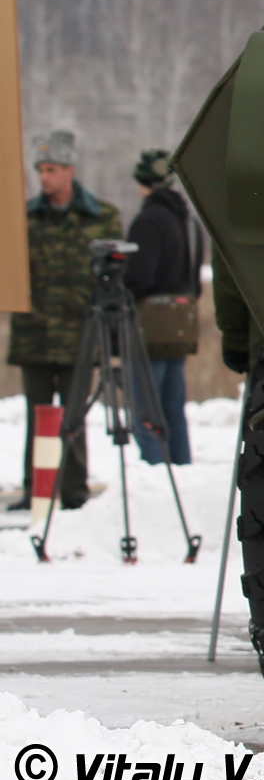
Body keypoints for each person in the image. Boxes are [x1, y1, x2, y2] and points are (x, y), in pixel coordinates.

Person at [8, 130, 122, 509]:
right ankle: (35, 490)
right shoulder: (23, 219)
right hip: (34, 335)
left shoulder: (101, 218)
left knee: (74, 417)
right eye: (40, 169)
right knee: (37, 415)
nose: (44, 177)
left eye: (52, 169)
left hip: (79, 335)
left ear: (70, 169)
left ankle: (73, 492)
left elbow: (117, 276)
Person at [123, 149, 200, 467]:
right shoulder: (190, 221)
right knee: (172, 406)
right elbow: (194, 277)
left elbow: (140, 275)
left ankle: (155, 472)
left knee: (146, 408)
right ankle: (181, 469)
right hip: (182, 321)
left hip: (150, 325)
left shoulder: (148, 220)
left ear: (143, 183)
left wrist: (121, 288)